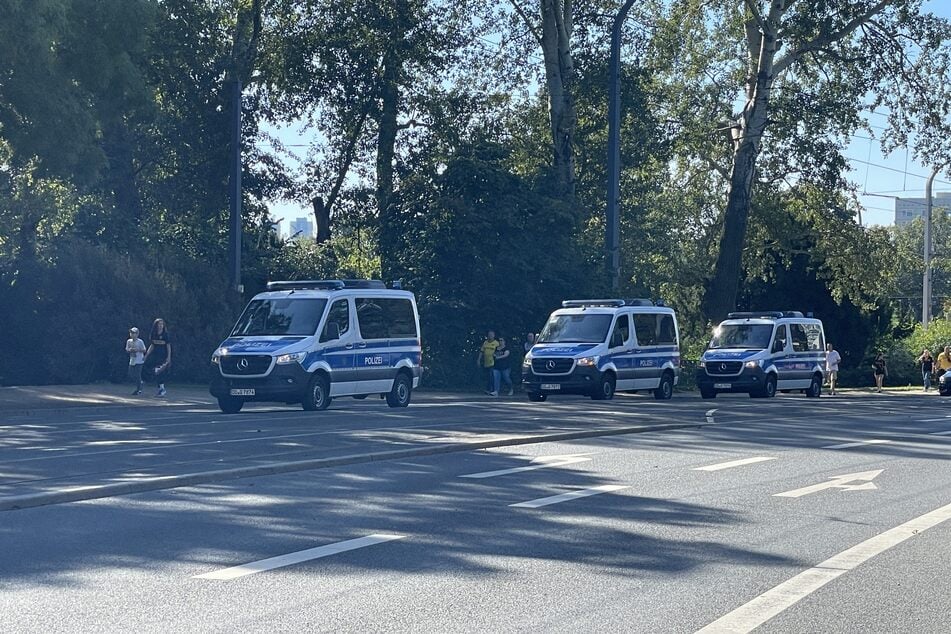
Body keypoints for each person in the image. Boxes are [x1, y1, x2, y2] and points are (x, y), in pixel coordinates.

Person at [143, 318, 172, 397]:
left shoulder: (165, 334)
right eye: (159, 324)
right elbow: (152, 345)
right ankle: (145, 382)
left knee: (160, 371)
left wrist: (169, 357)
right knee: (151, 368)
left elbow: (168, 346)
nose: (160, 326)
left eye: (162, 324)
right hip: (155, 355)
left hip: (163, 356)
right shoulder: (153, 334)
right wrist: (146, 355)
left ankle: (162, 389)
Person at [477, 330, 499, 394]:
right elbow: (481, 351)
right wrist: (478, 359)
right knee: (487, 377)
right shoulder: (485, 343)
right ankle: (488, 389)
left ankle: (491, 390)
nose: (490, 336)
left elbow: (499, 351)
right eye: (489, 334)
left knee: (491, 376)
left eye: (491, 335)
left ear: (494, 335)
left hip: (493, 362)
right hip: (486, 362)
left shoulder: (496, 343)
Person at [126, 327, 146, 395]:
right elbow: (127, 349)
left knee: (137, 374)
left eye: (134, 333)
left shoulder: (140, 341)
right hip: (132, 359)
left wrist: (137, 350)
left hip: (139, 360)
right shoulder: (129, 341)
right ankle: (140, 383)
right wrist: (130, 350)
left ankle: (138, 389)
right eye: (131, 333)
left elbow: (144, 350)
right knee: (131, 373)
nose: (132, 334)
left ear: (137, 334)